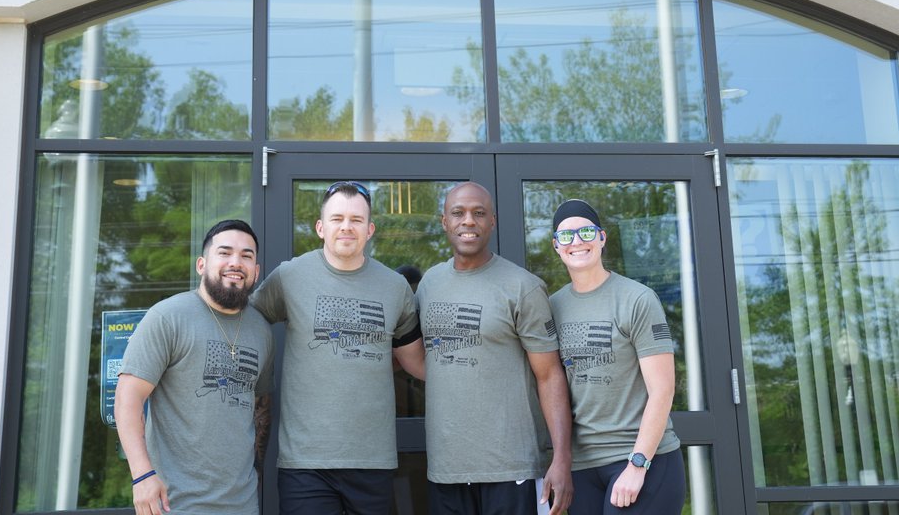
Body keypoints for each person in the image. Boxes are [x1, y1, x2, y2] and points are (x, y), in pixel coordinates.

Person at [251, 180, 426, 515]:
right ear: (320, 227)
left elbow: (414, 361)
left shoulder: (394, 286)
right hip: (306, 463)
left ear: (370, 229)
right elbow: (246, 326)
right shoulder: (289, 276)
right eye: (337, 219)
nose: (346, 226)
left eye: (356, 220)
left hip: (372, 460)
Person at [416, 181, 573, 515]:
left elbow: (549, 376)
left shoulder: (523, 287)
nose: (468, 221)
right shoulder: (430, 283)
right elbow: (424, 357)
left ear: (492, 221)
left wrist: (561, 459)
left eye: (479, 213)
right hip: (448, 467)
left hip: (512, 466)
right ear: (444, 221)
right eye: (458, 213)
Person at [115, 219, 274, 515]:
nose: (235, 263)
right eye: (224, 253)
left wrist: (256, 473)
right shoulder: (168, 317)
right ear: (202, 264)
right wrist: (142, 476)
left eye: (246, 256)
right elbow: (128, 398)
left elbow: (261, 406)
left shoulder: (261, 331)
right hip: (173, 504)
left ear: (256, 271)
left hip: (243, 505)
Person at [547, 199, 685, 515]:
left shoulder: (637, 299)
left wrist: (638, 464)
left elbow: (663, 390)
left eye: (585, 232)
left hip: (642, 459)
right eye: (566, 236)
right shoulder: (552, 307)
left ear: (602, 237)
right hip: (583, 468)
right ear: (556, 246)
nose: (577, 242)